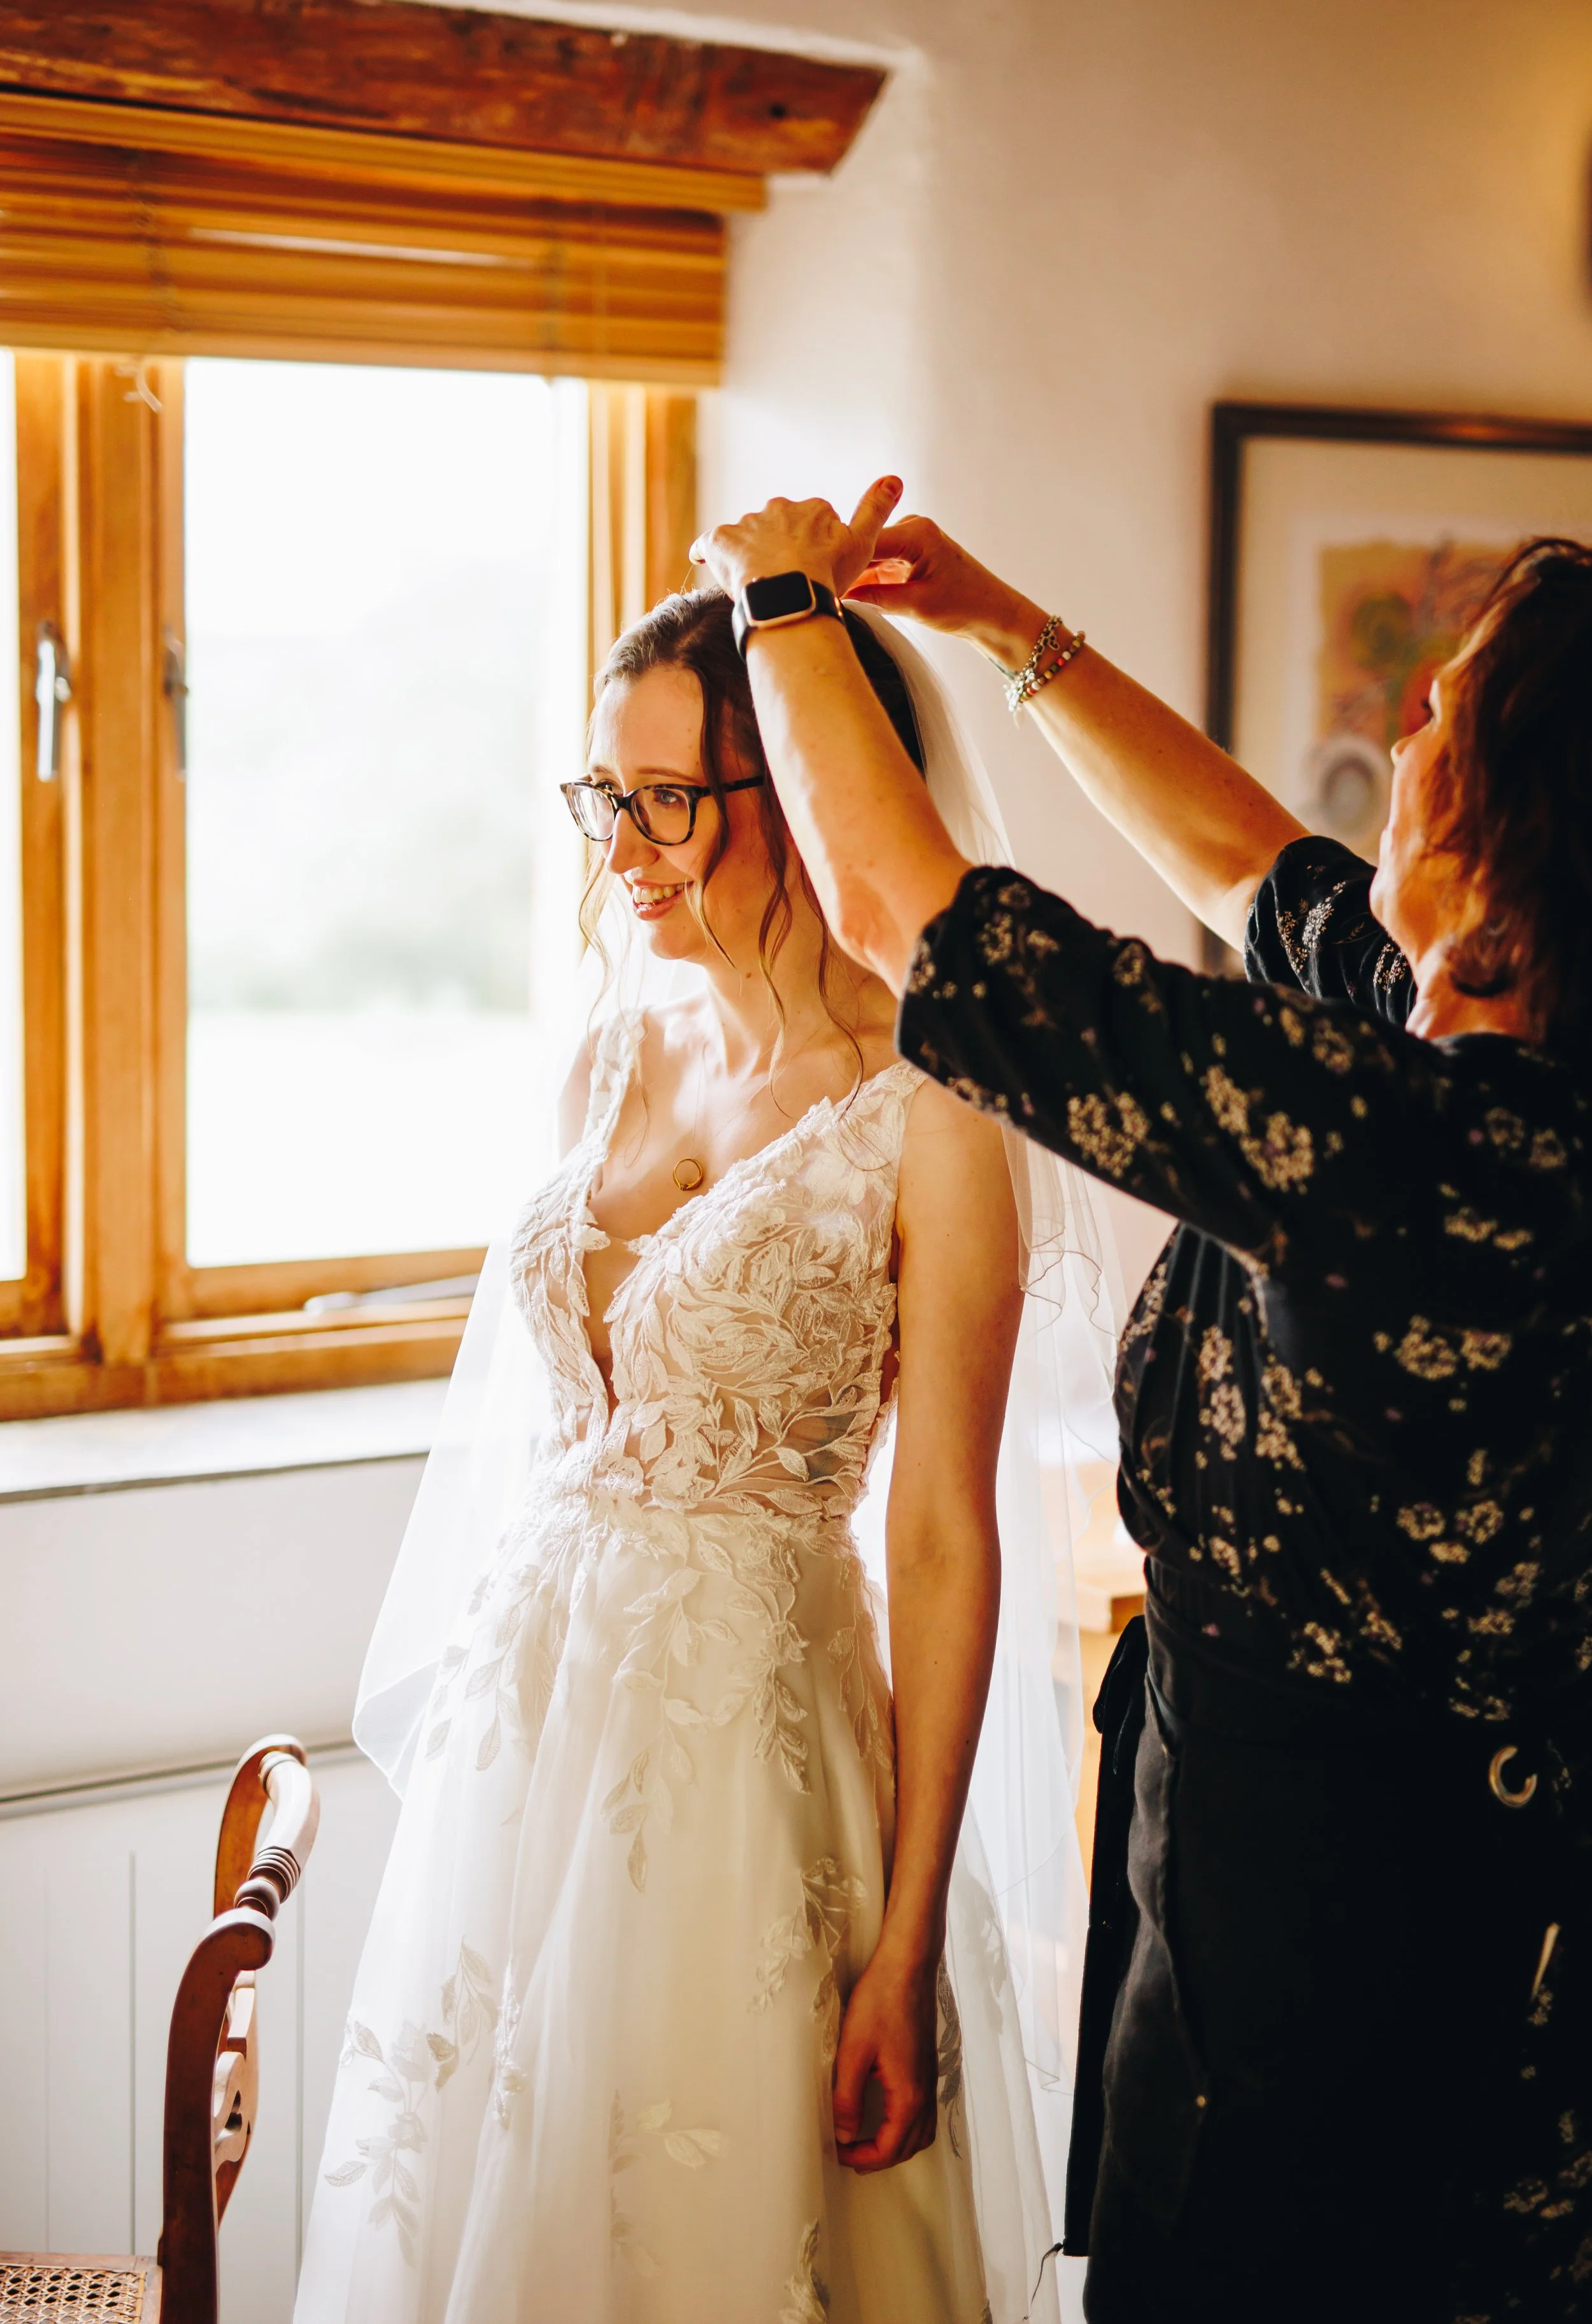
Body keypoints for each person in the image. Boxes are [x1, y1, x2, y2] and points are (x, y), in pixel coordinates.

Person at [691, 485, 1592, 2324]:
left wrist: (778, 599)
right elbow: (1249, 864)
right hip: (1240, 1906)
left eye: (1457, 704)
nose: (1411, 714)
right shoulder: (1449, 1047)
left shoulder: (1432, 1156)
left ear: (1521, 824)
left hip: (1368, 2003)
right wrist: (997, 620)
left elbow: (907, 920)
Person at [294, 588, 1118, 2324]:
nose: (627, 853)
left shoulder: (935, 1105)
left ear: (809, 786)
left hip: (758, 1772)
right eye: (606, 799)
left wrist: (901, 1949)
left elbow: (947, 1539)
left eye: (670, 799)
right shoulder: (608, 1048)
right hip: (528, 1746)